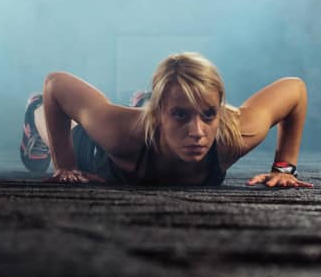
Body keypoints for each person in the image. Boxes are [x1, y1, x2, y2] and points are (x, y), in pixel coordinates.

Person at [19, 52, 312, 187]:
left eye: (209, 115)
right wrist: (65, 165)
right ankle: (33, 115)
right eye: (181, 116)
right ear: (159, 116)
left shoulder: (234, 133)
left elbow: (294, 89)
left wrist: (285, 168)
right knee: (62, 126)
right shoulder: (120, 133)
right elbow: (56, 85)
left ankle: (152, 102)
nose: (198, 132)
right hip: (102, 155)